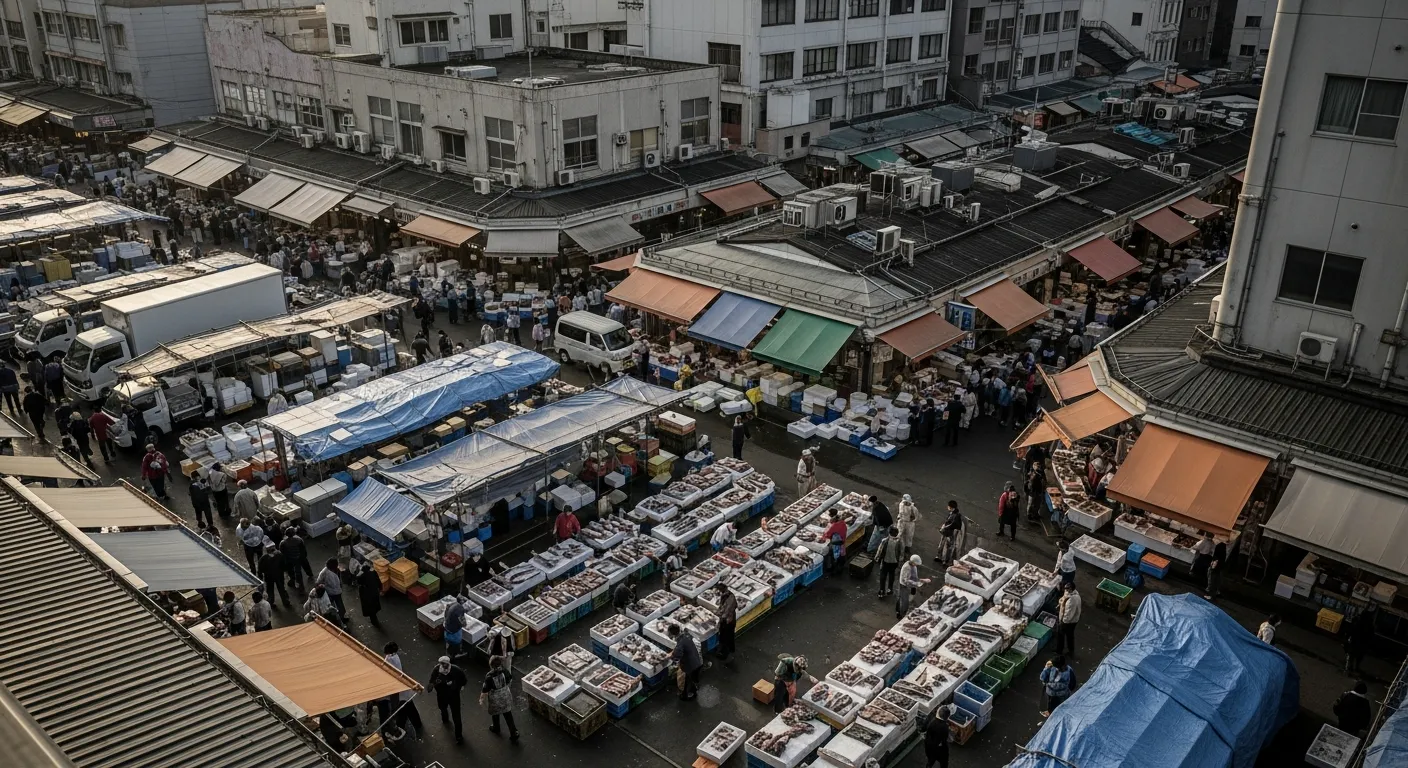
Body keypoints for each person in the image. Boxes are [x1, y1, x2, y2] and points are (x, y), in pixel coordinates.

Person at [379, 643, 426, 733]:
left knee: (402, 709)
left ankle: (401, 726)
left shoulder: (390, 660)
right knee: (409, 706)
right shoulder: (394, 657)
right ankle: (417, 723)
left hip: (399, 690)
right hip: (403, 690)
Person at [429, 656, 469, 744]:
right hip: (441, 695)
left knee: (456, 717)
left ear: (448, 663)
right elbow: (432, 681)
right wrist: (433, 685)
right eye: (441, 664)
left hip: (453, 696)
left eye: (444, 664)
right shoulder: (436, 669)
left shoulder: (456, 670)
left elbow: (464, 681)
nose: (442, 666)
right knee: (443, 708)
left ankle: (459, 736)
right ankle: (445, 718)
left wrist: (454, 684)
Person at [481, 655, 520, 740]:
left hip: (495, 698)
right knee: (508, 714)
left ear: (491, 665)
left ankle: (496, 727)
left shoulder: (489, 676)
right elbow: (510, 679)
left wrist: (481, 699)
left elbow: (485, 689)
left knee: (495, 713)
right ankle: (514, 733)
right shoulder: (505, 671)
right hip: (505, 695)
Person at [667, 622, 704, 701]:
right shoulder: (686, 636)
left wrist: (670, 657)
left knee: (687, 682)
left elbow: (677, 655)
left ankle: (687, 695)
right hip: (697, 661)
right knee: (692, 679)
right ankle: (693, 690)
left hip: (690, 665)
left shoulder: (680, 643)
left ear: (672, 634)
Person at [258, 541, 293, 608]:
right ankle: (286, 602)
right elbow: (284, 565)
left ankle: (270, 602)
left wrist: (261, 576)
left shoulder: (263, 558)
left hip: (268, 577)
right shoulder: (279, 555)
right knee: (282, 588)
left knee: (270, 590)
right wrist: (285, 571)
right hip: (279, 575)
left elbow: (260, 569)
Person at [896, 554, 930, 619]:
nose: (916, 565)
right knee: (904, 601)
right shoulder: (907, 567)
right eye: (916, 563)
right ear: (912, 562)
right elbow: (906, 580)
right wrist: (916, 583)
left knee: (902, 599)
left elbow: (914, 577)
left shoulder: (913, 567)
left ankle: (899, 611)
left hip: (908, 585)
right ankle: (901, 614)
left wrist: (922, 580)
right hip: (904, 585)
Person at [317, 558, 349, 625]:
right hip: (332, 592)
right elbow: (318, 582)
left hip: (334, 591)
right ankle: (340, 618)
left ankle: (340, 617)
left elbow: (318, 581)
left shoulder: (329, 571)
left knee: (337, 605)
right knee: (337, 605)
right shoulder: (326, 572)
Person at [280, 526, 313, 591]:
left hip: (290, 559)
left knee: (296, 573)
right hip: (300, 557)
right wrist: (304, 556)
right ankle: (310, 574)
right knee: (305, 566)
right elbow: (303, 550)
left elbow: (282, 552)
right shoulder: (299, 539)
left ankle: (300, 587)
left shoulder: (283, 542)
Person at [1344, 608, 1375, 675]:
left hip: (1356, 642)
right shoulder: (1369, 625)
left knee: (1353, 655)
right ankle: (1355, 667)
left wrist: (1348, 637)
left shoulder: (1359, 622)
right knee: (1358, 656)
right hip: (1362, 643)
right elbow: (1371, 635)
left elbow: (1352, 630)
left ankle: (1350, 667)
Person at [875, 526, 903, 598]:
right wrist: (900, 561)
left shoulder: (884, 541)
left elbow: (880, 550)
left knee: (883, 576)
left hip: (885, 562)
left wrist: (877, 558)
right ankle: (890, 589)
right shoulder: (899, 542)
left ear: (889, 533)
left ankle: (881, 591)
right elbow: (901, 552)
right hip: (894, 563)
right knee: (891, 575)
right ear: (897, 534)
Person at [1055, 583, 1081, 656]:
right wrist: (1060, 604)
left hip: (1070, 621)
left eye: (1067, 589)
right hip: (1071, 619)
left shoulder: (1072, 600)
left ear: (1071, 589)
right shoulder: (1069, 593)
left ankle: (1059, 651)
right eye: (1065, 588)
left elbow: (1068, 614)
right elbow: (1063, 598)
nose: (1065, 590)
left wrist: (1062, 622)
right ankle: (1070, 651)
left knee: (1062, 635)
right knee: (1069, 635)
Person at [715, 584, 737, 662]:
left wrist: (718, 615)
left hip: (728, 622)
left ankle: (724, 654)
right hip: (729, 621)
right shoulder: (727, 595)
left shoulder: (730, 598)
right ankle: (731, 649)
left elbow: (726, 612)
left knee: (726, 637)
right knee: (728, 637)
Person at [937, 501, 964, 565]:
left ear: (951, 507)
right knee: (942, 545)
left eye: (948, 506)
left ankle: (945, 560)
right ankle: (940, 557)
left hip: (949, 533)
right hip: (946, 532)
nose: (947, 507)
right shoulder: (952, 513)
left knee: (947, 547)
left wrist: (944, 527)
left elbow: (952, 525)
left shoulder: (956, 516)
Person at [822, 511, 848, 575]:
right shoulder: (843, 523)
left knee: (834, 557)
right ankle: (840, 569)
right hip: (842, 541)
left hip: (836, 544)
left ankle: (835, 571)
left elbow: (828, 535)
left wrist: (824, 535)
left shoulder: (835, 526)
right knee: (841, 555)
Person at [358, 561, 383, 627]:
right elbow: (378, 581)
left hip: (367, 595)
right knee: (374, 606)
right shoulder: (373, 573)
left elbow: (359, 584)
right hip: (374, 592)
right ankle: (375, 619)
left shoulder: (361, 577)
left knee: (370, 609)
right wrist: (380, 589)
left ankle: (374, 621)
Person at [444, 597, 467, 661]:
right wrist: (464, 624)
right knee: (456, 642)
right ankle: (455, 654)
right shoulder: (460, 609)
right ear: (462, 602)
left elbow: (445, 614)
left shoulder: (452, 604)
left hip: (447, 627)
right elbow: (463, 622)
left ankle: (448, 649)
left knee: (448, 640)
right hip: (454, 631)